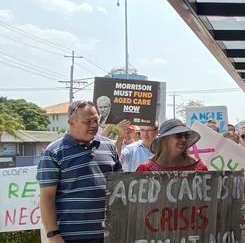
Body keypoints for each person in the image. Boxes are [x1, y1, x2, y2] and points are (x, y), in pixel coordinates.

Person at [37, 100, 122, 243]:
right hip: (72, 237)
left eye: (96, 120)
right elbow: (47, 197)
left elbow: (120, 185)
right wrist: (53, 235)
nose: (94, 125)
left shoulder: (109, 146)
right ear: (71, 122)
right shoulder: (54, 153)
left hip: (109, 234)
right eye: (87, 121)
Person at [136, 118, 208, 172]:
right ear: (165, 140)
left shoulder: (199, 169)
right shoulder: (146, 170)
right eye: (178, 135)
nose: (184, 140)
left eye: (186, 136)